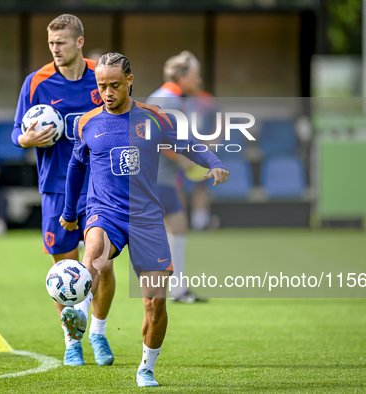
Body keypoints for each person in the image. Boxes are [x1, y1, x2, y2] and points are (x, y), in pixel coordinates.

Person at [59, 53, 229, 387]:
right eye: (102, 86)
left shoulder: (154, 118)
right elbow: (76, 167)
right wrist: (69, 214)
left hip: (146, 218)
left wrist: (214, 162)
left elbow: (187, 144)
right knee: (93, 254)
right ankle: (79, 311)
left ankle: (146, 367)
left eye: (115, 85)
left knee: (155, 303)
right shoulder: (87, 123)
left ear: (130, 81)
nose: (107, 92)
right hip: (104, 211)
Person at [10, 14, 115, 367]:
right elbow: (16, 133)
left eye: (62, 43)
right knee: (64, 271)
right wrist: (27, 138)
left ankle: (97, 333)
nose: (55, 49)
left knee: (101, 260)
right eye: (51, 43)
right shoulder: (36, 82)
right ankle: (73, 343)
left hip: (98, 186)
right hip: (56, 186)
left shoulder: (101, 77)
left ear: (79, 42)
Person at [147, 51, 217, 302]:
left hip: (156, 177)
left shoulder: (162, 96)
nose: (198, 82)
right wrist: (189, 163)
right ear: (181, 76)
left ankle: (176, 289)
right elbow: (162, 142)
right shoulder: (171, 101)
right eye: (195, 76)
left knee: (176, 227)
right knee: (174, 228)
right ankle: (175, 289)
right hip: (157, 178)